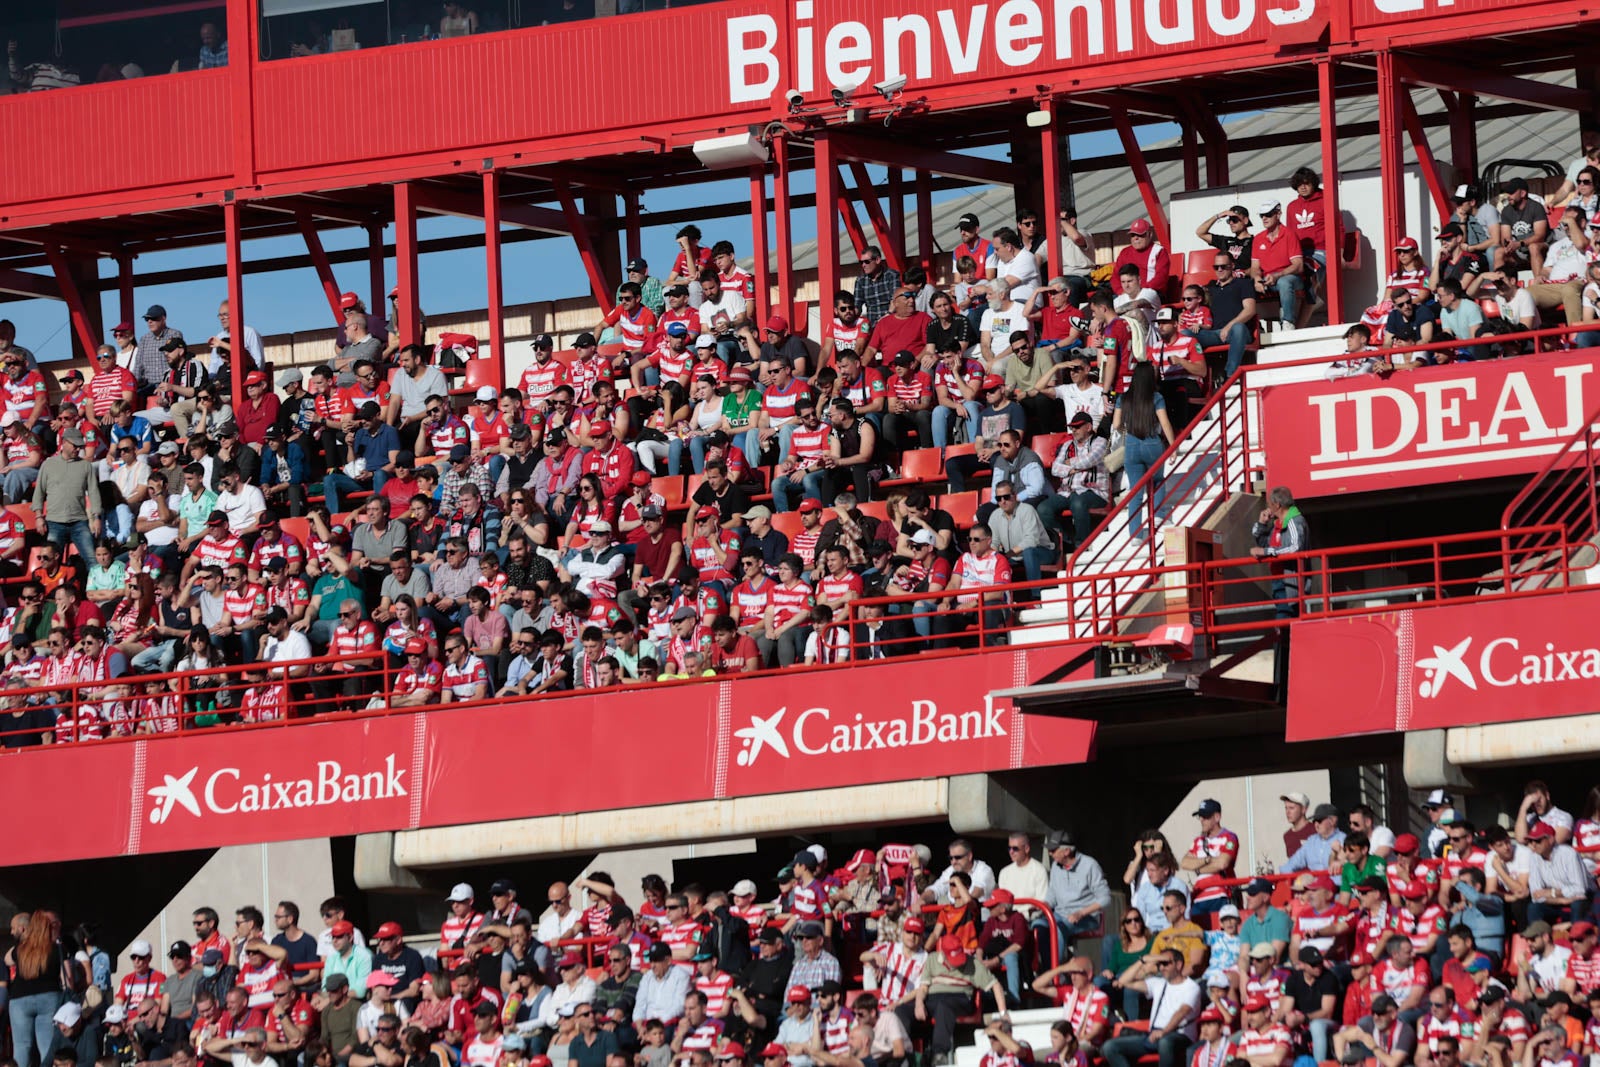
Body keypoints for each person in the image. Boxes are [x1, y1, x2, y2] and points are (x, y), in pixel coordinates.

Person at [1101, 950, 1199, 1067]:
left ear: (1178, 965)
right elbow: (1122, 982)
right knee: (1110, 1047)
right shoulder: (1158, 983)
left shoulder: (1191, 987)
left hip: (1179, 1035)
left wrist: (1164, 1032)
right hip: (1153, 1035)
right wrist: (1142, 960)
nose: (1162, 968)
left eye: (1165, 963)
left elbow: (1181, 1013)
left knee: (1165, 1042)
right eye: (1159, 964)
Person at [1112, 363, 1175, 541]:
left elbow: (1116, 425)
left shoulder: (1123, 398)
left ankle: (1135, 535)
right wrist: (1172, 446)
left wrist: (1129, 426)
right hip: (1152, 442)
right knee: (1157, 480)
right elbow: (1164, 423)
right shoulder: (1156, 397)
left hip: (1131, 444)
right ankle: (1158, 514)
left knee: (1136, 491)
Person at [1251, 487, 1309, 619]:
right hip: (1279, 580)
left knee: (1285, 619)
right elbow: (1265, 544)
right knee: (1286, 620)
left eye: (1269, 504)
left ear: (1277, 505)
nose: (1268, 508)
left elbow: (1294, 547)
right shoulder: (1278, 524)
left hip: (1290, 581)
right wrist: (1261, 524)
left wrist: (1266, 551)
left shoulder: (1294, 521)